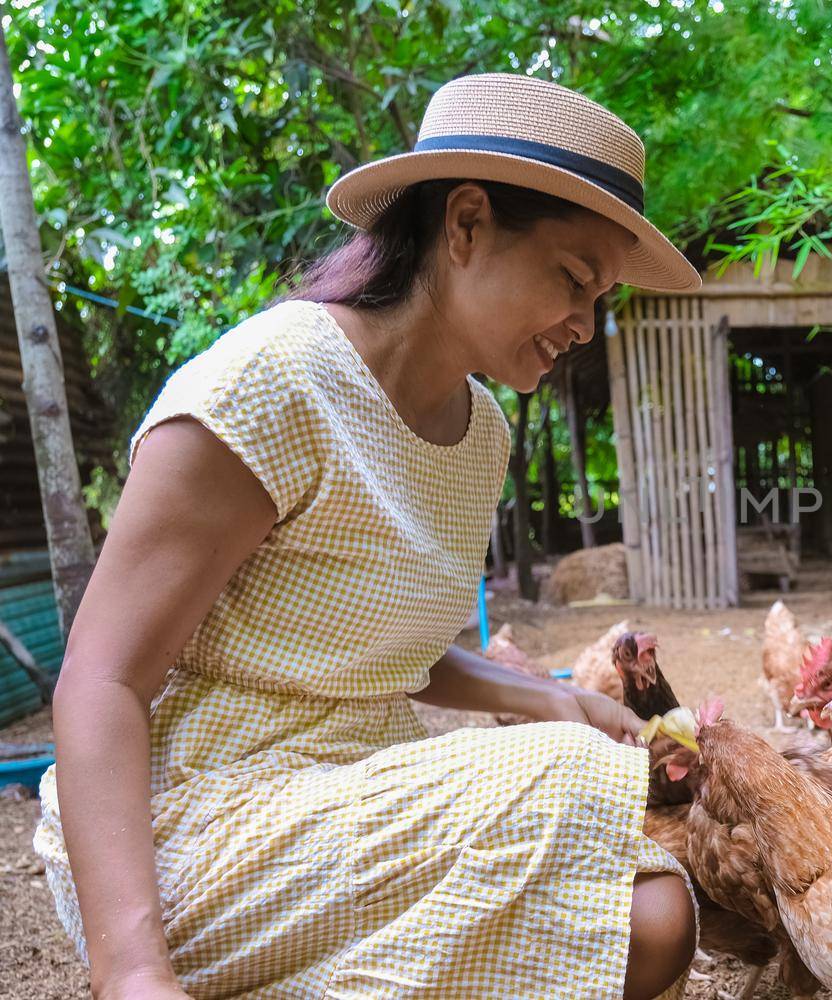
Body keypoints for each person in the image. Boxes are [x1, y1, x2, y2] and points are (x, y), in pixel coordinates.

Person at [34, 73, 702, 999]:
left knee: (653, 918)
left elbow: (391, 649)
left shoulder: (482, 432)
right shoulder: (273, 384)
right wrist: (131, 970)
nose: (586, 325)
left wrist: (553, 699)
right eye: (574, 280)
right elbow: (100, 679)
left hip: (354, 793)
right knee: (571, 781)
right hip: (194, 824)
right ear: (465, 225)